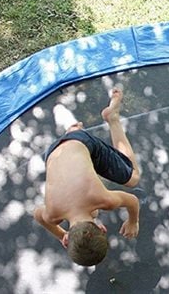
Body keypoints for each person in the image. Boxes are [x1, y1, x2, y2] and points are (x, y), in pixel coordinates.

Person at [34, 88, 141, 266]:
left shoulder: (105, 200)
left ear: (102, 228)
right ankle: (72, 133)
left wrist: (133, 221)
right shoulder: (52, 215)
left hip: (80, 141)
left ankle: (112, 118)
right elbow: (38, 215)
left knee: (133, 178)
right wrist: (62, 234)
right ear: (68, 240)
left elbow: (133, 201)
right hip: (52, 152)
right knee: (92, 209)